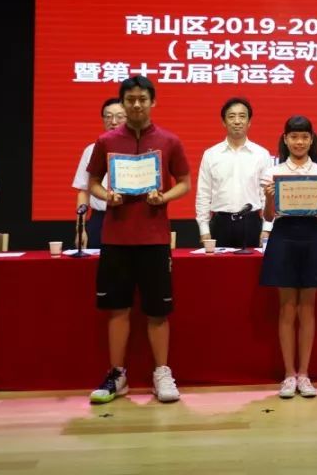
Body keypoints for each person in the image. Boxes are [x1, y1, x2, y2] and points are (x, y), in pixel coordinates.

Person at [86, 76, 191, 405]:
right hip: (116, 237)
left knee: (158, 311)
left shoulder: (169, 140)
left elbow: (185, 182)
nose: (136, 105)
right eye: (130, 99)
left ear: (152, 102)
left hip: (154, 238)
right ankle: (117, 375)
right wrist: (107, 195)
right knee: (117, 309)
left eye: (142, 99)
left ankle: (162, 372)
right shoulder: (106, 141)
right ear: (123, 102)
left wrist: (164, 197)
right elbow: (93, 182)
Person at [260, 115, 317, 398]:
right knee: (287, 308)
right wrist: (270, 197)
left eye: (304, 137)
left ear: (311, 139)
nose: (299, 142)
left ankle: (304, 374)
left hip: (312, 236)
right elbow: (269, 216)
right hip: (283, 237)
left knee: (307, 308)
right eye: (294, 136)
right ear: (285, 139)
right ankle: (288, 375)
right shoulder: (274, 173)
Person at [195, 97, 273, 249]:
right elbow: (203, 194)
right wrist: (204, 230)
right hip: (220, 224)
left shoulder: (261, 154)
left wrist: (266, 228)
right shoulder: (211, 154)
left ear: (249, 122)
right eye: (231, 116)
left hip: (251, 224)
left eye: (242, 116)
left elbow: (266, 196)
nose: (237, 121)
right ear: (224, 122)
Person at [71, 97, 126, 249]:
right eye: (108, 116)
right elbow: (83, 192)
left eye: (119, 116)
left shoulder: (139, 149)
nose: (113, 122)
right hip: (100, 219)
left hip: (130, 219)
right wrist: (80, 229)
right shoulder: (91, 150)